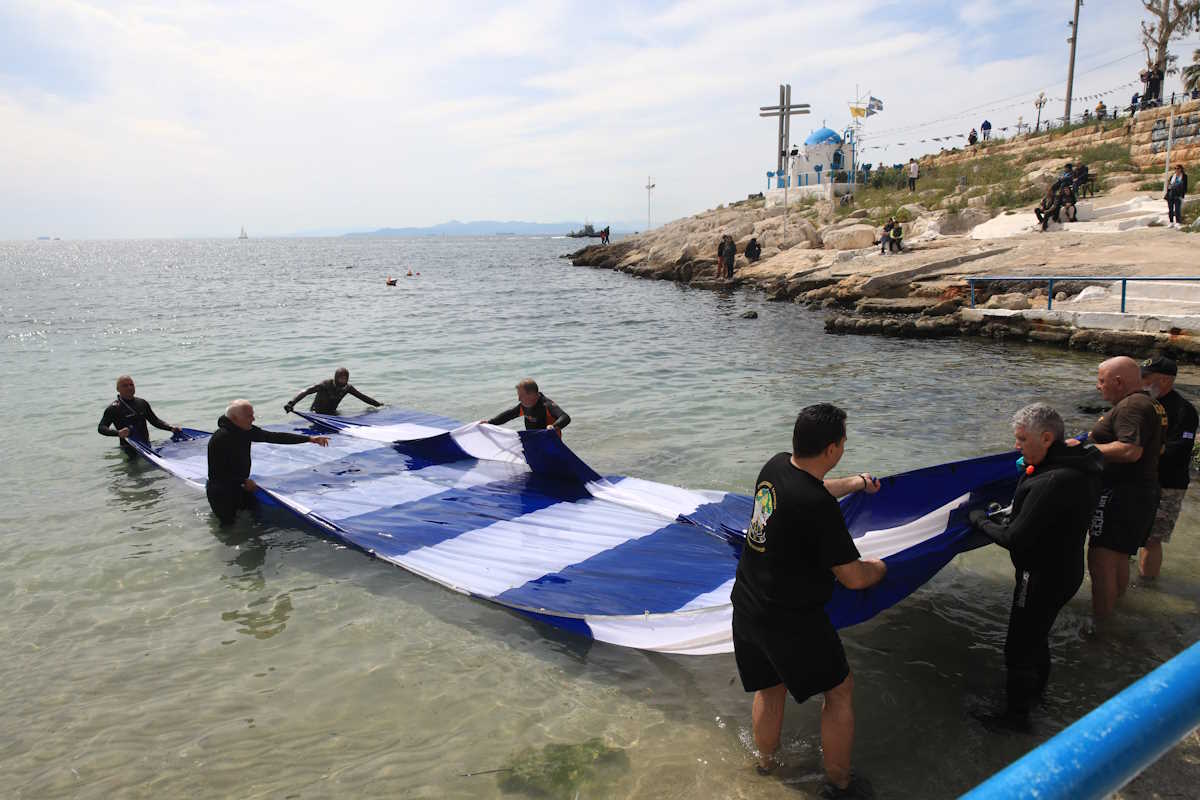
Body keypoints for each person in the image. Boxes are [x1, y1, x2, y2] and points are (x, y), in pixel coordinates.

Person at [731, 403, 885, 797]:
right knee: (839, 690)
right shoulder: (818, 509)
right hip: (790, 618)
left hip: (748, 604)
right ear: (832, 450)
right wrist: (879, 568)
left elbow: (810, 488)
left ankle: (765, 766)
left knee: (770, 687)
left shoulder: (775, 466)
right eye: (844, 441)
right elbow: (852, 578)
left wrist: (852, 483)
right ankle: (839, 783)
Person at [968, 404, 1102, 730]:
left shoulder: (1051, 480)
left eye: (1022, 440)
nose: (1017, 447)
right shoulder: (1081, 463)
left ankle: (1016, 718)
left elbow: (1015, 538)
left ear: (1046, 438)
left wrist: (980, 520)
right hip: (1067, 570)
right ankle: (1036, 696)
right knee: (1038, 636)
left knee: (1018, 646)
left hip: (1040, 576)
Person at [1068, 356, 1164, 631]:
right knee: (1119, 557)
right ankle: (1115, 615)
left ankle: (1100, 627)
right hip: (1141, 493)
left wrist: (1080, 452)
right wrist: (1086, 439)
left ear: (1118, 382)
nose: (1098, 386)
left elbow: (1129, 450)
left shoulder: (1132, 405)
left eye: (1101, 380)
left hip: (1121, 495)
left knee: (1100, 561)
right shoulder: (1146, 403)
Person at [207, 399, 330, 525]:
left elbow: (273, 437)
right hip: (221, 491)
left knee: (256, 520)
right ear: (234, 418)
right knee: (229, 528)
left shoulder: (244, 430)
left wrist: (309, 439)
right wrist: (242, 481)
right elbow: (218, 472)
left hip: (241, 486)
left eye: (252, 414)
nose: (253, 419)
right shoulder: (221, 438)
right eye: (249, 416)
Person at [1139, 357, 1198, 579]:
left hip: (1169, 484)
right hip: (1139, 479)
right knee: (1126, 533)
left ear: (1164, 380)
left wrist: (1141, 452)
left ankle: (1146, 585)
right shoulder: (1141, 403)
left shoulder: (1185, 411)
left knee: (1153, 538)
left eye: (1146, 377)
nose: (1141, 382)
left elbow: (1180, 449)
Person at [97, 375, 180, 456]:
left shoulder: (142, 403)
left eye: (131, 385)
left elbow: (155, 421)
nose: (129, 387)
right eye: (125, 386)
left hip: (146, 445)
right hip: (129, 448)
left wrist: (171, 428)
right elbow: (101, 428)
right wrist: (118, 433)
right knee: (135, 468)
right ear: (118, 389)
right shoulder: (114, 408)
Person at [483, 378, 571, 435]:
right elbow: (508, 415)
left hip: (550, 442)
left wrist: (553, 427)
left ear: (532, 395)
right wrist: (489, 423)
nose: (518, 399)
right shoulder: (523, 406)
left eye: (521, 395)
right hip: (533, 441)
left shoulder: (546, 405)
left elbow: (565, 417)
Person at [284, 367, 382, 415]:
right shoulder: (325, 384)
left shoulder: (347, 388)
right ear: (336, 378)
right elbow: (306, 391)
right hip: (316, 413)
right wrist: (291, 404)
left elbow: (363, 397)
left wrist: (378, 405)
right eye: (341, 379)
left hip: (333, 414)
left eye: (345, 379)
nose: (343, 381)